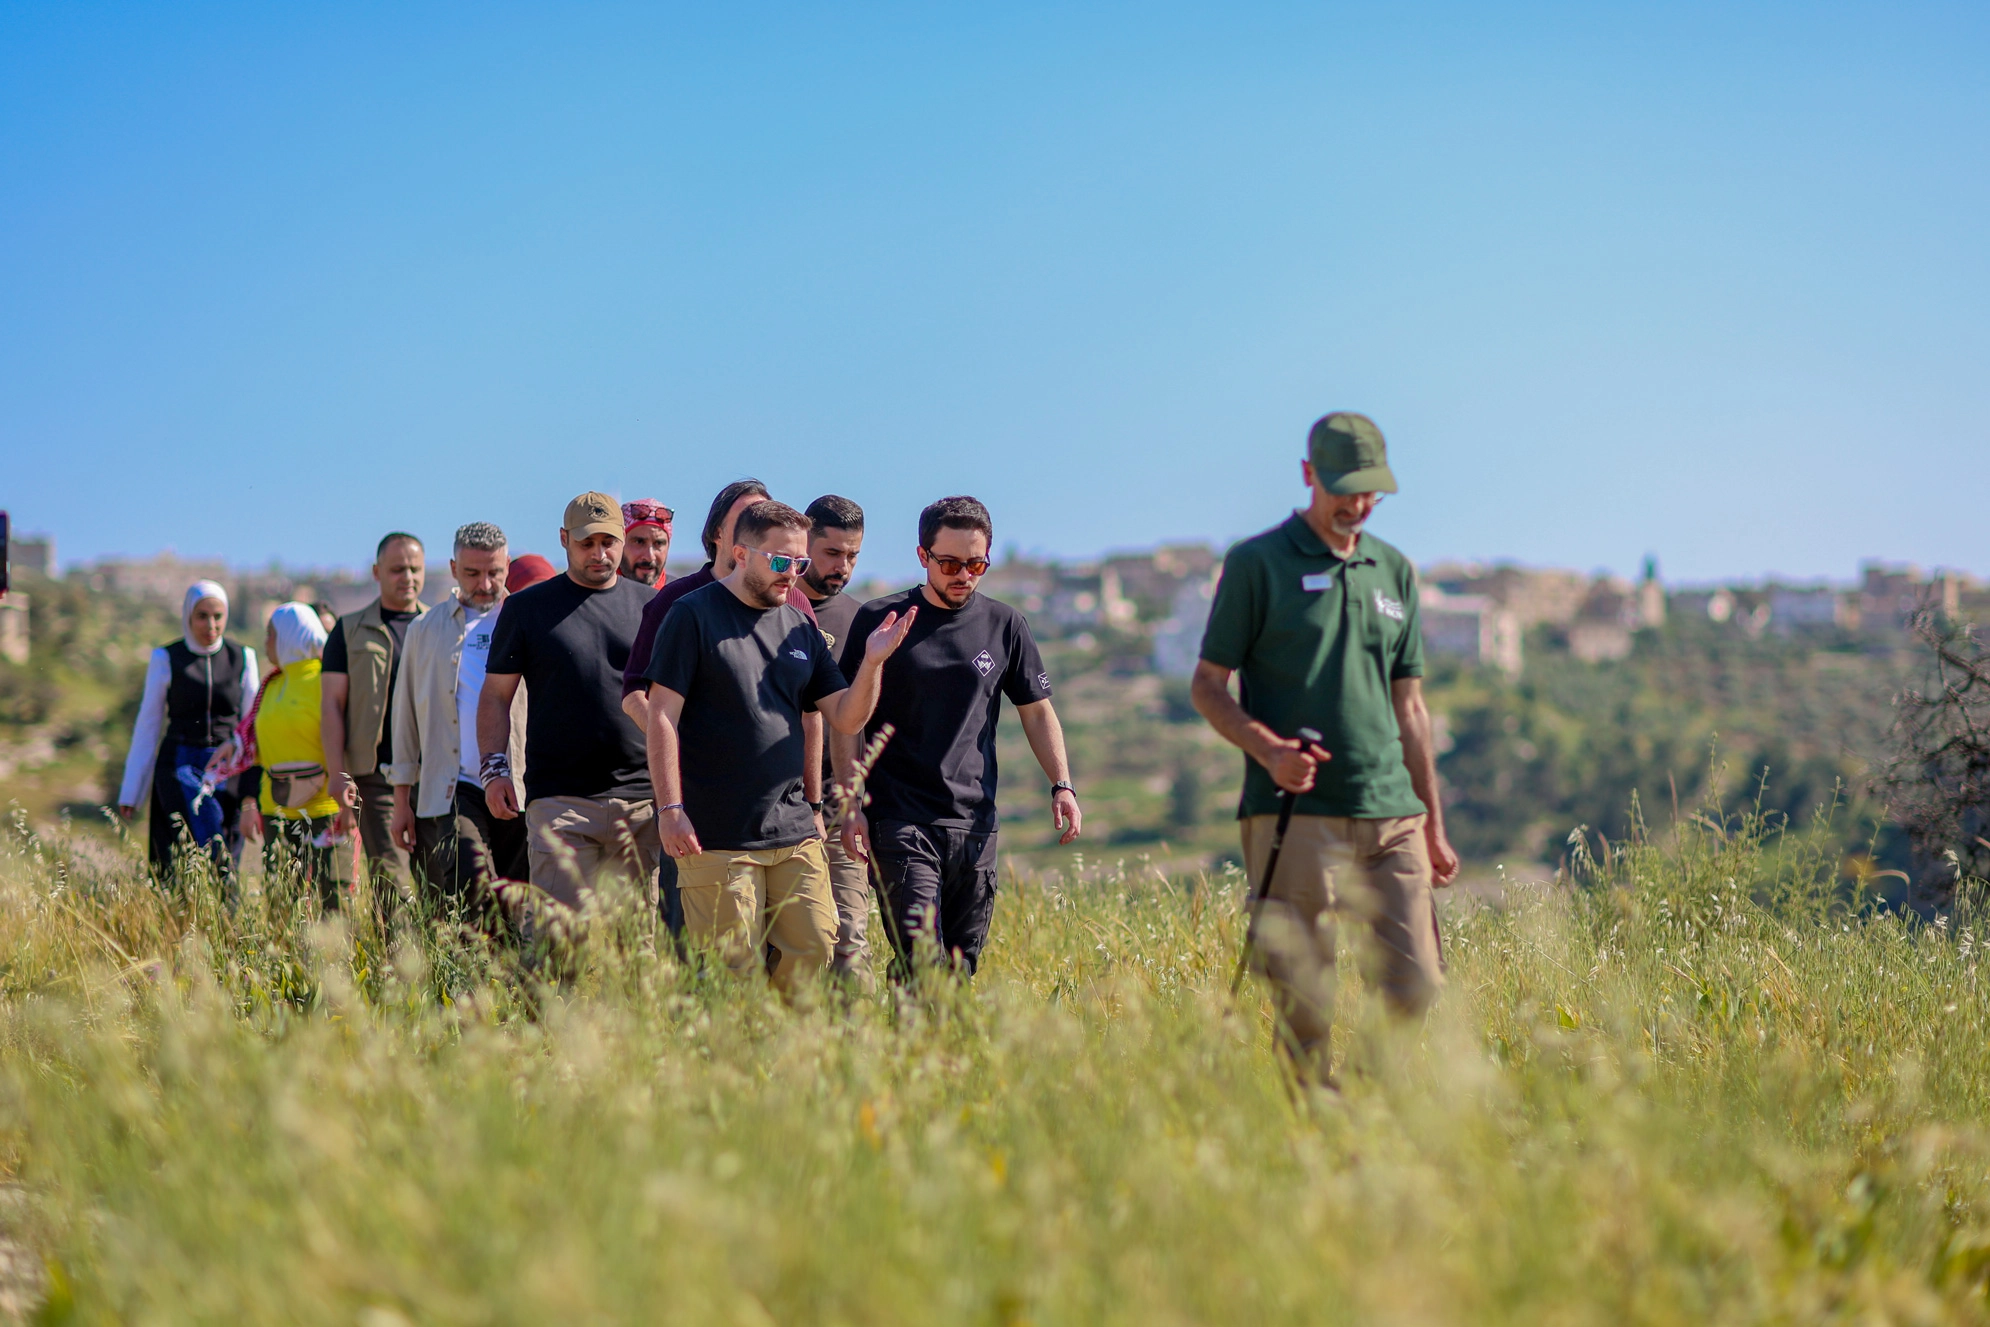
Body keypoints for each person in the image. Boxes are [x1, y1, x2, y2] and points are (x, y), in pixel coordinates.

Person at [1189, 412, 1457, 1087]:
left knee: (1419, 982)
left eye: (1371, 492)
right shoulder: (1256, 564)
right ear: (1309, 475)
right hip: (1291, 812)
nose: (1358, 505)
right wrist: (1267, 748)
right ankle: (1317, 1133)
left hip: (1391, 810)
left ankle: (1367, 1097)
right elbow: (1208, 685)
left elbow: (1412, 709)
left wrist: (1434, 824)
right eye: (1345, 489)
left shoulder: (1394, 571)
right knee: (1305, 1003)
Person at [642, 500, 914, 994]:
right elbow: (660, 713)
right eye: (781, 561)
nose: (792, 574)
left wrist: (873, 663)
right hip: (714, 835)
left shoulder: (800, 624)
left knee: (816, 948)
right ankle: (738, 1062)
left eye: (800, 564)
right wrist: (670, 807)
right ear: (741, 554)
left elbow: (845, 716)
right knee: (731, 974)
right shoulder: (691, 616)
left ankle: (784, 1054)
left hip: (792, 832)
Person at [838, 496, 1082, 979]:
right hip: (898, 818)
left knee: (958, 967)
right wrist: (851, 805)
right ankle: (914, 1044)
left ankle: (936, 1051)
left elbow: (1036, 711)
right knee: (921, 959)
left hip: (974, 822)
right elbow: (848, 721)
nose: (962, 575)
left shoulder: (1004, 624)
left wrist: (1062, 784)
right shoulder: (880, 620)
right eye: (949, 563)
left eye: (976, 564)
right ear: (922, 556)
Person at [620, 480, 819, 935]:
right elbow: (637, 693)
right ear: (719, 535)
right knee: (699, 947)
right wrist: (683, 746)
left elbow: (815, 709)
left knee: (793, 947)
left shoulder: (796, 603)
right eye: (746, 521)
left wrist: (815, 802)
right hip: (699, 811)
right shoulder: (678, 604)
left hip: (782, 817)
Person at [479, 493, 658, 913]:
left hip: (641, 802)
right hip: (559, 801)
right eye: (586, 543)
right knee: (557, 946)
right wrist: (494, 770)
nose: (599, 553)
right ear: (564, 540)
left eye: (609, 542)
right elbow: (494, 696)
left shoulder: (652, 608)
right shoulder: (526, 608)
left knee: (634, 952)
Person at [386, 522, 528, 920]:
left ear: (508, 566)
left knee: (518, 897)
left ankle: (507, 978)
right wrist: (401, 801)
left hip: (520, 783)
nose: (484, 583)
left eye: (494, 572)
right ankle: (479, 975)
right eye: (472, 573)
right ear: (452, 568)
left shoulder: (526, 621)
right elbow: (406, 718)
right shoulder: (425, 630)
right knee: (472, 882)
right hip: (455, 787)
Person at [117, 580, 260, 881]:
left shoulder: (243, 658)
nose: (211, 624)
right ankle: (176, 925)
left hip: (226, 772)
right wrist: (132, 791)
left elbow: (252, 725)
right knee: (176, 863)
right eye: (202, 616)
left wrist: (252, 792)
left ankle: (225, 927)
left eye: (218, 616)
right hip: (177, 769)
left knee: (224, 861)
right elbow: (148, 725)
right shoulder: (166, 658)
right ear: (188, 616)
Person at [322, 533, 428, 909]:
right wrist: (339, 774)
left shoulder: (439, 627)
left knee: (436, 883)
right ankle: (399, 966)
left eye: (415, 569)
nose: (408, 577)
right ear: (376, 572)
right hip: (376, 776)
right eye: (397, 569)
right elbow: (332, 706)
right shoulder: (349, 630)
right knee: (394, 886)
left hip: (431, 776)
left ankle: (437, 965)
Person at [797, 495, 873, 984]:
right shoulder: (767, 608)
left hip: (841, 805)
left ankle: (856, 1054)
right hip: (774, 805)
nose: (842, 567)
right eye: (831, 553)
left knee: (851, 943)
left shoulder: (863, 620)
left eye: (853, 556)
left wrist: (854, 804)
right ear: (803, 541)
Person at [247, 603, 343, 909]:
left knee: (333, 904)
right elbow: (254, 746)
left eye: (271, 635)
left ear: (290, 636)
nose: (266, 643)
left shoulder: (326, 679)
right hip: (276, 812)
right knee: (282, 907)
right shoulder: (271, 684)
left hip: (324, 810)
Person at [619, 500, 674, 588]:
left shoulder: (682, 596)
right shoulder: (594, 597)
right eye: (639, 542)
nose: (649, 557)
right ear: (618, 544)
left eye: (659, 543)